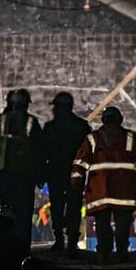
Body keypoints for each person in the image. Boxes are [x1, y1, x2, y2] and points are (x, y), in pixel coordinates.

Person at [71, 106, 136, 264]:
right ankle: (122, 254)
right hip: (124, 192)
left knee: (102, 225)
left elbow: (80, 162)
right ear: (120, 120)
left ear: (104, 120)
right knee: (123, 225)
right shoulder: (130, 138)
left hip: (100, 192)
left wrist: (76, 180)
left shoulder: (93, 139)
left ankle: (104, 254)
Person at [0, 88, 45, 249]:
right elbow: (41, 151)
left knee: (6, 210)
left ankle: (4, 246)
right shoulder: (32, 123)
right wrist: (40, 176)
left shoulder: (1, 121)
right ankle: (22, 247)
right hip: (26, 175)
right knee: (24, 213)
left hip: (5, 174)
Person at [42, 92, 92, 256]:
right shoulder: (81, 127)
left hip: (56, 174)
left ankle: (60, 241)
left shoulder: (50, 128)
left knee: (57, 207)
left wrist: (41, 175)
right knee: (74, 207)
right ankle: (71, 242)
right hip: (75, 174)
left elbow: (42, 153)